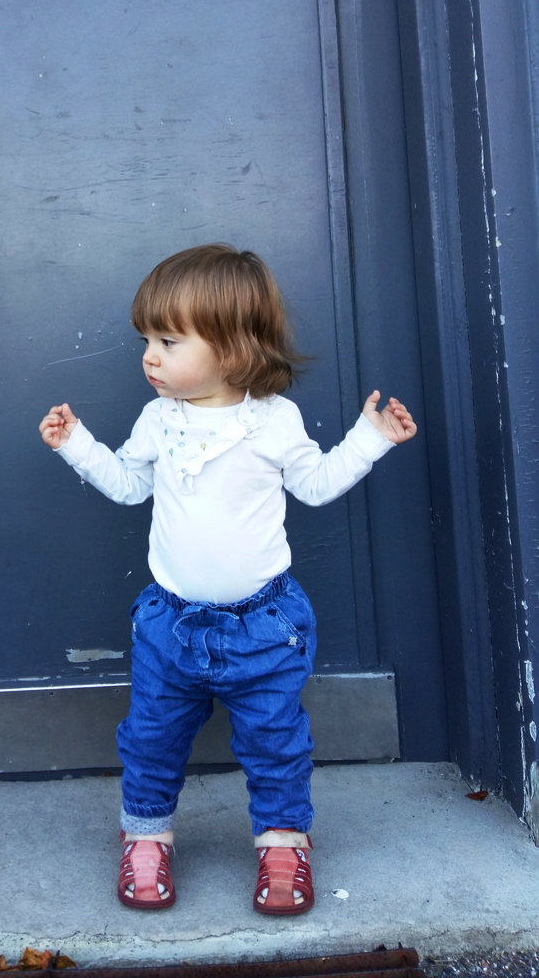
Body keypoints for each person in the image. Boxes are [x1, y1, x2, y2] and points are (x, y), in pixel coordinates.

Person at [38, 243, 417, 915]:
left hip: (264, 626)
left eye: (168, 340)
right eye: (146, 340)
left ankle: (281, 844)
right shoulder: (160, 419)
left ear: (234, 347)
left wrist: (369, 437)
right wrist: (76, 444)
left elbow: (317, 484)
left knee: (274, 740)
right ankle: (146, 839)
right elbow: (128, 487)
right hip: (169, 625)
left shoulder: (271, 421)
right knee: (151, 737)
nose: (149, 356)